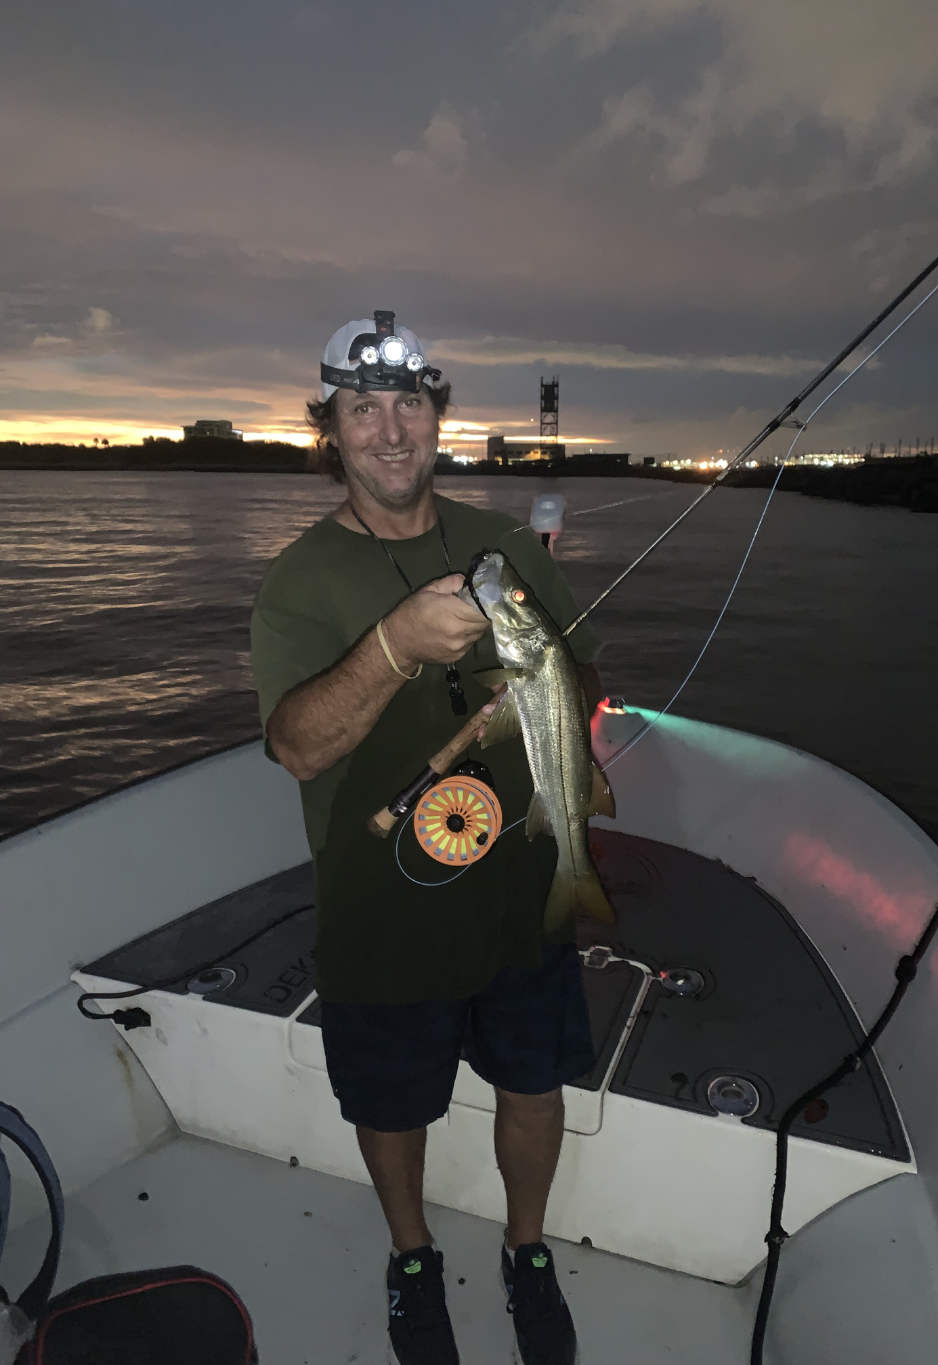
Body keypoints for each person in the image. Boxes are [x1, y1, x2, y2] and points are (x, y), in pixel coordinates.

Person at [249, 311, 604, 1365]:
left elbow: (585, 680)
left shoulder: (498, 544)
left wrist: (542, 688)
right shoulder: (300, 582)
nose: (391, 430)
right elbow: (297, 748)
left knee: (532, 1086)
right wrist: (396, 643)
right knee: (392, 1103)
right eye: (364, 409)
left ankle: (527, 1249)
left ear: (437, 418)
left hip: (522, 894)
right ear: (332, 432)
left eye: (409, 404)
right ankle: (411, 1257)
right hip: (382, 911)